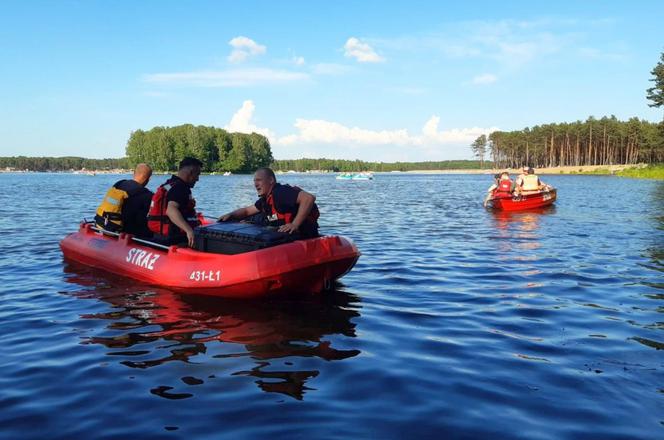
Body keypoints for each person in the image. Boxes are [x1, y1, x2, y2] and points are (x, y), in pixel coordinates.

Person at [219, 167, 320, 238]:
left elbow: (309, 198)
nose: (255, 184)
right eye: (254, 181)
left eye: (259, 180)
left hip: (305, 235)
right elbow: (247, 211)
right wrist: (230, 214)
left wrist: (294, 224)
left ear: (271, 180)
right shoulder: (265, 199)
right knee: (253, 217)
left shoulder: (281, 192)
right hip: (279, 228)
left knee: (260, 218)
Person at [147, 157, 202, 247]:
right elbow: (171, 209)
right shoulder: (181, 188)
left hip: (161, 236)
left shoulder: (170, 184)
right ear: (190, 172)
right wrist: (188, 230)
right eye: (197, 175)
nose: (197, 179)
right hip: (175, 239)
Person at [95, 163, 153, 237]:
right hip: (123, 231)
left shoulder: (119, 184)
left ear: (134, 173)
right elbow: (143, 219)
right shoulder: (146, 195)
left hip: (104, 224)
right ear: (148, 179)